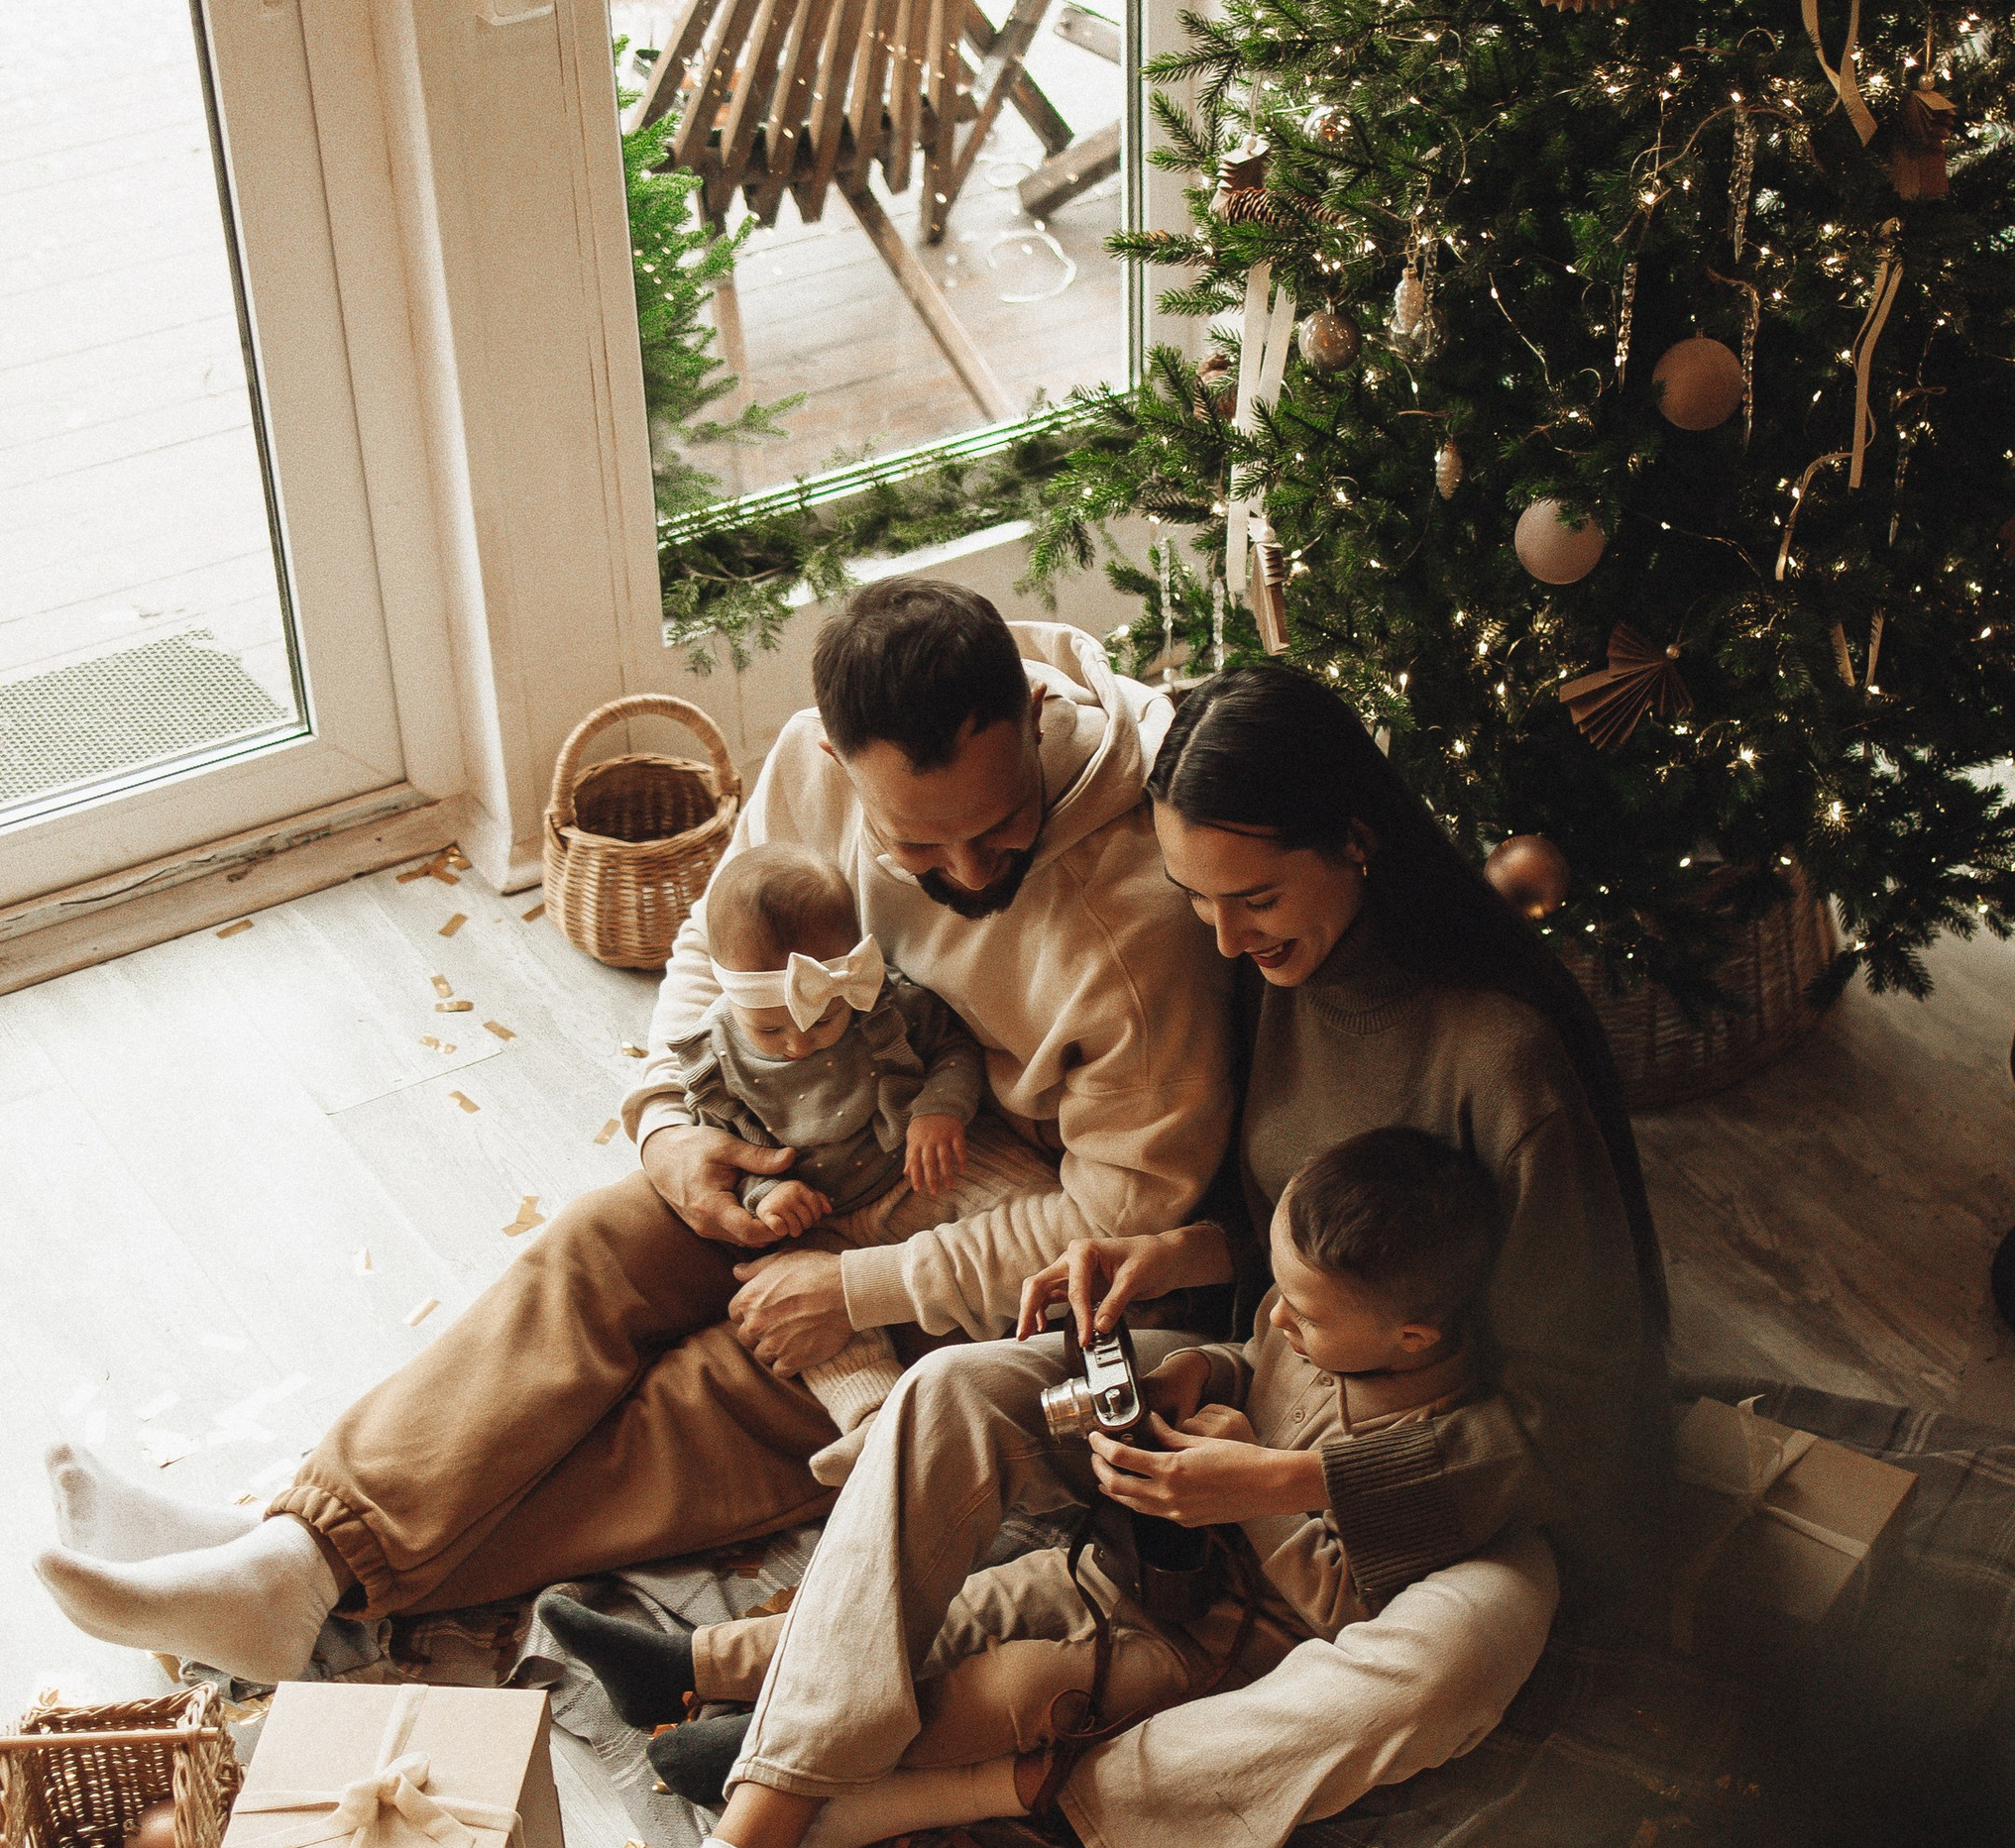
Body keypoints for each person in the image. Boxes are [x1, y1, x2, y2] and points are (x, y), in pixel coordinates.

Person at [536, 661, 1672, 1848]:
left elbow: (1585, 1423)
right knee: (952, 1391)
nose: (1229, 940)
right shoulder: (1281, 981)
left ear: (1355, 844)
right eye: (1200, 906)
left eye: (1253, 900)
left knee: (1450, 1662)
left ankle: (937, 1792)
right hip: (1263, 1380)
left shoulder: (1503, 1065)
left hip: (1446, 1510)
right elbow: (1294, 1242)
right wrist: (1173, 1262)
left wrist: (1291, 1476)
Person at [36, 584, 1234, 1684]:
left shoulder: (1139, 927)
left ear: (1032, 715)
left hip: (987, 1223)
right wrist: (666, 1123)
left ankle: (298, 1572)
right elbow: (719, 949)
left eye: (998, 827)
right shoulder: (806, 771)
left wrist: (861, 1287)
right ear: (831, 758)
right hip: (806, 1136)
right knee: (595, 1249)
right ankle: (289, 1557)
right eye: (916, 850)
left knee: (712, 1396)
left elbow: (1126, 1218)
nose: (968, 873)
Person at [540, 1126, 1543, 1848]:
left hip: (1240, 1647)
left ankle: (841, 1790)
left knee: (1021, 1682)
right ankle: (711, 1677)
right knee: (985, 1572)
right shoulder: (1315, 1332)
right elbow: (1257, 1362)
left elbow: (1333, 1605)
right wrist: (1203, 1370)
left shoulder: (1451, 1445)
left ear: (1413, 1334)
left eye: (1304, 1313)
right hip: (1147, 1561)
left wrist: (1255, 1493)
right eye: (1275, 1296)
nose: (1276, 1318)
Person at [676, 839, 997, 1474]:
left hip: (912, 1167)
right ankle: (872, 1423)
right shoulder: (718, 1059)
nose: (797, 1042)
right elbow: (722, 1148)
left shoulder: (884, 1006)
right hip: (816, 1218)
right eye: (770, 1029)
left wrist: (940, 1110)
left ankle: (1024, 1355)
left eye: (821, 1018)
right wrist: (764, 1195)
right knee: (784, 1298)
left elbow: (957, 1051)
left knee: (1013, 1206)